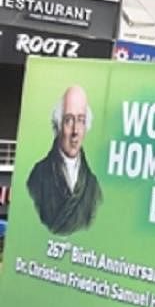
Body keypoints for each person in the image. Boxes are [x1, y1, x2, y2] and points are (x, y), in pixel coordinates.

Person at [27, 86, 102, 235]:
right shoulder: (38, 176)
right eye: (68, 120)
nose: (75, 131)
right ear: (58, 126)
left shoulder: (93, 187)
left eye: (81, 121)